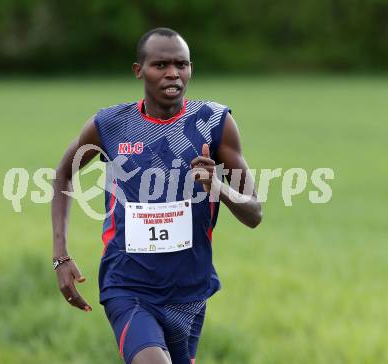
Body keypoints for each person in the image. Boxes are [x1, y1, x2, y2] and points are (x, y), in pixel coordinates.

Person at [52, 27, 262, 364]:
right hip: (127, 284)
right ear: (139, 71)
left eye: (182, 65)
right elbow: (63, 172)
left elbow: (254, 213)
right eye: (161, 65)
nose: (173, 74)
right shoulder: (110, 124)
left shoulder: (214, 123)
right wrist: (60, 255)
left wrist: (218, 186)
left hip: (189, 291)